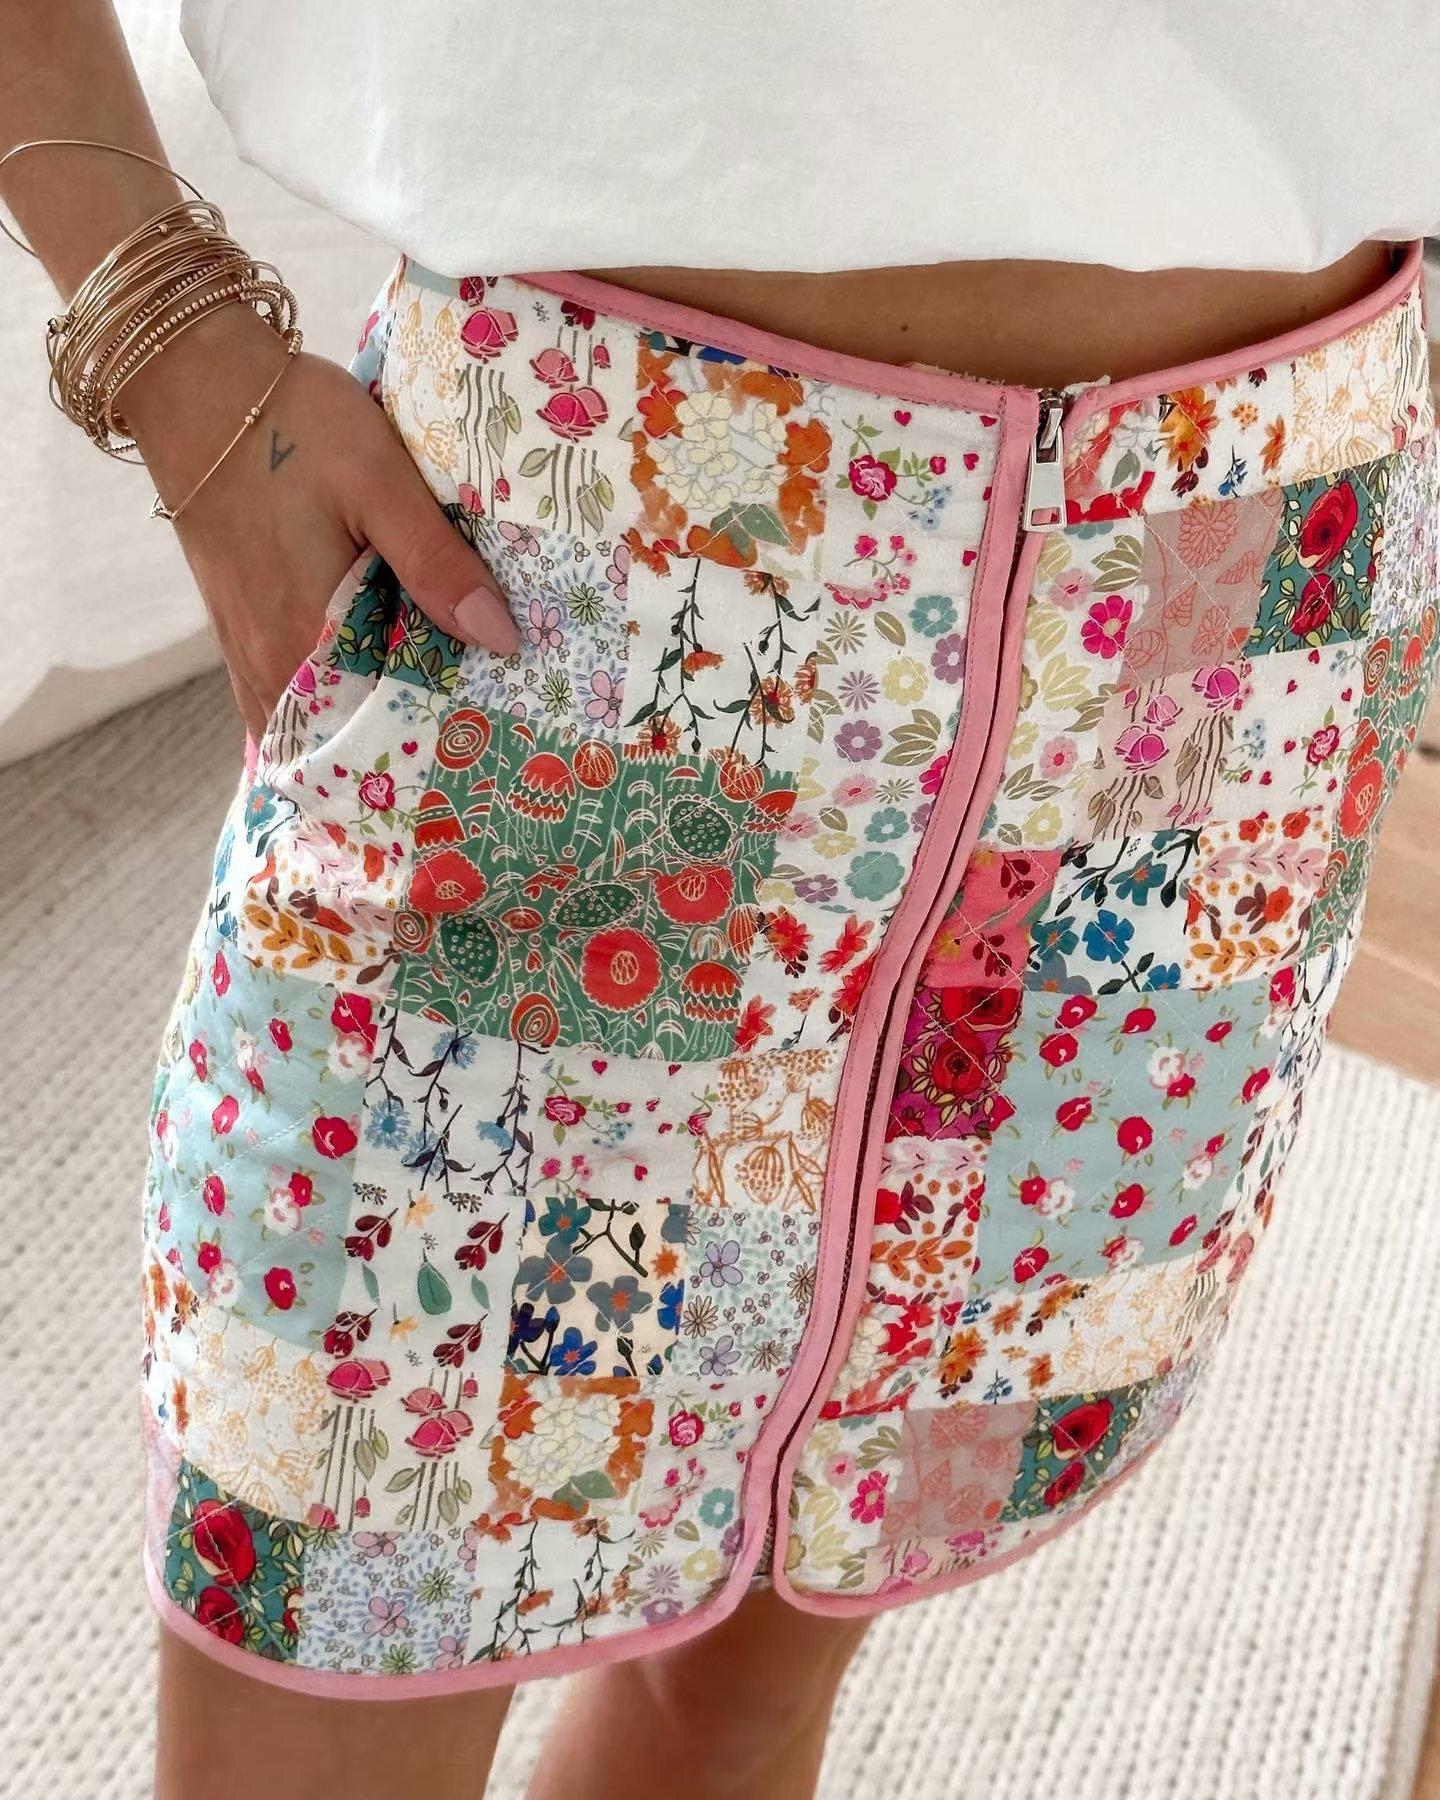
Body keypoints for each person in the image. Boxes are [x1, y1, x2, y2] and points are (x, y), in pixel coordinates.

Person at [4, 5, 1439, 1797]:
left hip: (1232, 599)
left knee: (746, 1688)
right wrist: (155, 323)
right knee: (332, 1591)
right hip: (594, 579)